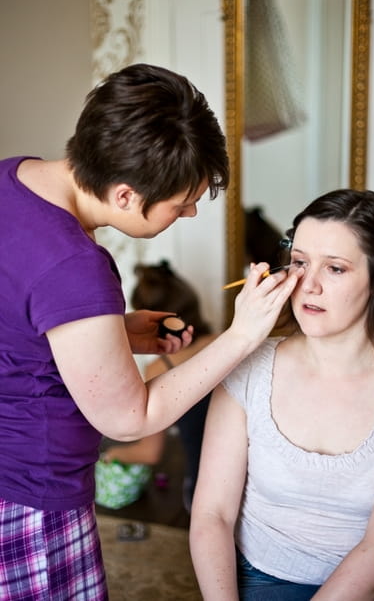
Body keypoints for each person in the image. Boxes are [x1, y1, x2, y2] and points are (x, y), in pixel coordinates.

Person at [0, 63, 300, 600]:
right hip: (30, 494)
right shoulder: (74, 267)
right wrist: (242, 334)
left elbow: (17, 319)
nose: (187, 214)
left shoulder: (11, 179)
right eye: (181, 204)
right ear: (123, 194)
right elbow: (130, 418)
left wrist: (109, 331)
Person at [190, 188, 374, 601]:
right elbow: (212, 515)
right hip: (257, 578)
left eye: (335, 269)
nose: (308, 285)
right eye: (299, 263)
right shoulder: (248, 369)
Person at [99, 259, 219, 511]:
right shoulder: (227, 343)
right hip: (254, 482)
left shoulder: (160, 369)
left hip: (207, 488)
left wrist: (111, 456)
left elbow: (150, 452)